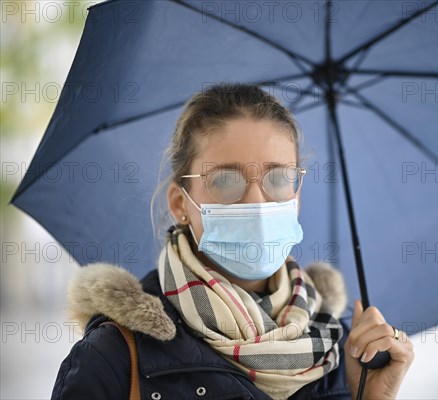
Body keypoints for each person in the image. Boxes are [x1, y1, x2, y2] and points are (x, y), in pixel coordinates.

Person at [51, 82, 414, 399]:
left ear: (297, 196)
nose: (257, 202)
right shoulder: (113, 356)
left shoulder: (343, 346)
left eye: (278, 178)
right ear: (181, 203)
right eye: (225, 180)